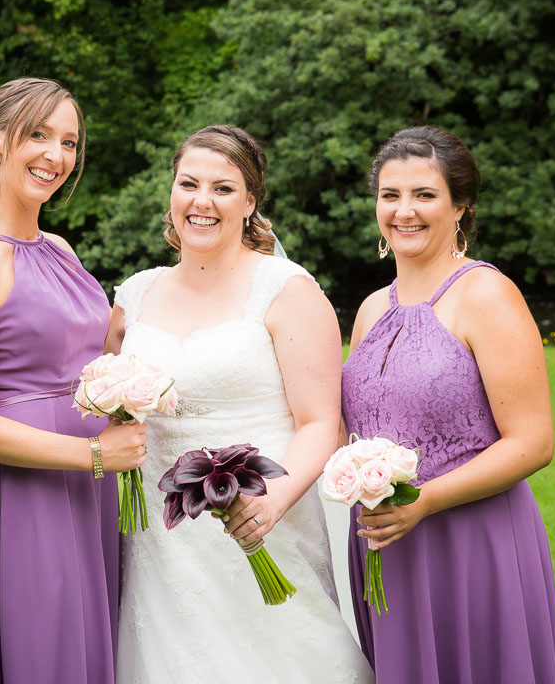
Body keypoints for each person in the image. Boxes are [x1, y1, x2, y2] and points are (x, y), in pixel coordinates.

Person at [107, 125, 374, 683]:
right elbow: (113, 405)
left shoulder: (287, 290)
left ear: (250, 202)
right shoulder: (135, 295)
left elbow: (322, 422)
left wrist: (269, 504)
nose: (202, 202)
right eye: (189, 184)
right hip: (158, 534)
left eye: (223, 188)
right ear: (172, 193)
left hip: (260, 513)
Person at [0, 77, 147, 684]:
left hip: (93, 486)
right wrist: (93, 452)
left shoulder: (58, 246)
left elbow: (90, 352)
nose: (56, 155)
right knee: (42, 649)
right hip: (31, 492)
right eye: (38, 135)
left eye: (69, 142)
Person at [341, 126, 555, 682]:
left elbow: (533, 442)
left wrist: (424, 500)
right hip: (385, 544)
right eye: (390, 196)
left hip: (470, 542)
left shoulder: (486, 294)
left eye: (424, 195)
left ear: (460, 206)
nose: (404, 211)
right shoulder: (371, 308)